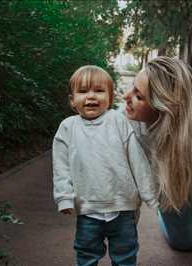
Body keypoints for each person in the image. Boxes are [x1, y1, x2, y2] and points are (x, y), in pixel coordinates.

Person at [123, 56, 192, 266]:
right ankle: (170, 203)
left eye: (138, 95)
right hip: (167, 182)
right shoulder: (125, 123)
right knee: (186, 242)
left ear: (163, 108)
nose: (125, 96)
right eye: (131, 87)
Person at [52, 65, 159, 266]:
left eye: (99, 91)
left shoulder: (118, 121)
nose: (91, 96)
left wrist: (149, 194)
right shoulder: (67, 128)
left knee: (125, 255)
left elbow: (137, 160)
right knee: (86, 255)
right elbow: (61, 166)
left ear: (110, 97)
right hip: (88, 208)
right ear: (72, 100)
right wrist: (64, 197)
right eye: (83, 91)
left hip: (122, 206)